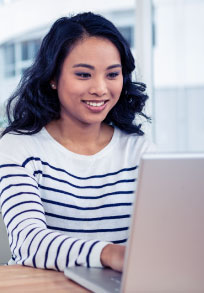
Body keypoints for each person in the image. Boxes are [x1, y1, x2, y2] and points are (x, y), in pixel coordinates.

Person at [0, 12, 153, 272]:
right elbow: (27, 242)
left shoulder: (140, 151)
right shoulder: (19, 148)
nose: (100, 89)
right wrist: (107, 253)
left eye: (112, 74)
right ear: (53, 77)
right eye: (84, 75)